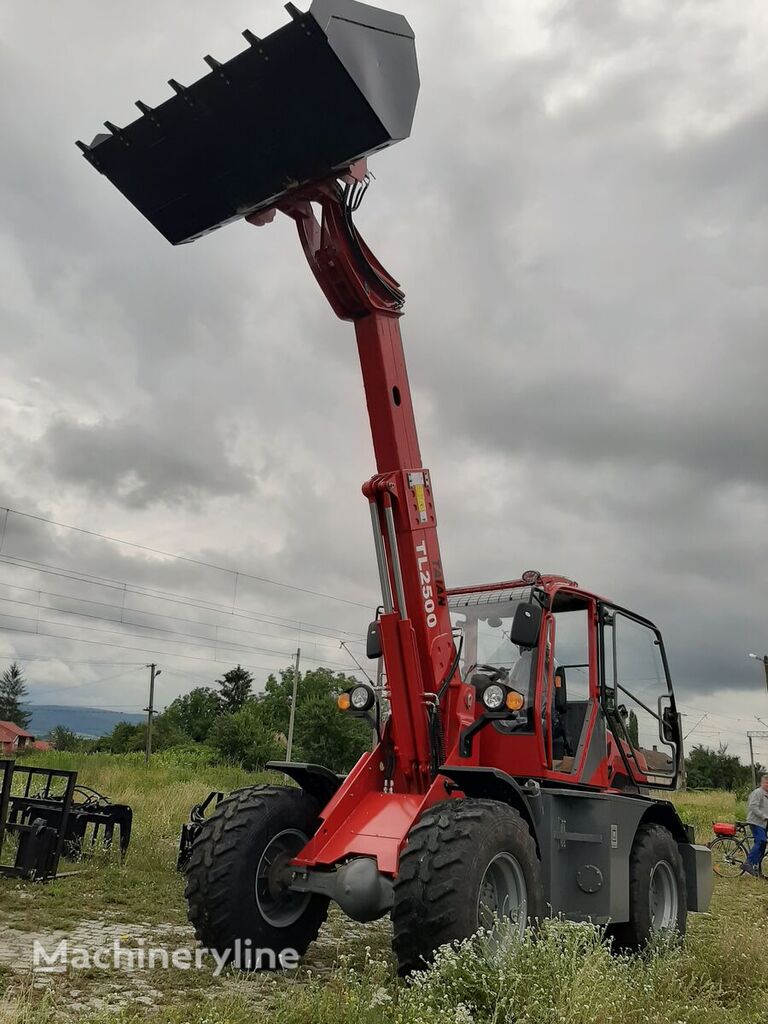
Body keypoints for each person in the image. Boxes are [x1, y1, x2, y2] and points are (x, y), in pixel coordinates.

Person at [744, 773, 768, 876]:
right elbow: (753, 807)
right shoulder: (757, 793)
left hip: (764, 823)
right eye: (766, 783)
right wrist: (763, 815)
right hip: (756, 822)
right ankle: (748, 863)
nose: (767, 785)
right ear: (762, 783)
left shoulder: (766, 794)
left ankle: (757, 869)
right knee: (761, 841)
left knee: (763, 846)